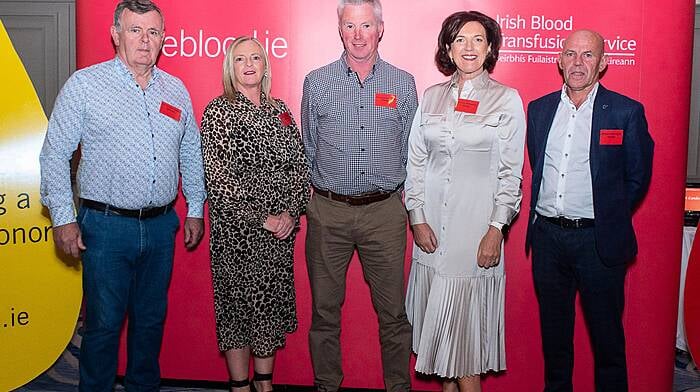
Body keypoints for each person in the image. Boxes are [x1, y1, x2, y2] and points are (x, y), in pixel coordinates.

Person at [38, 0, 206, 390]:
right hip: (105, 228)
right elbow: (55, 154)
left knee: (149, 324)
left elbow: (190, 151)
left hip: (162, 226)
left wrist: (195, 208)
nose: (145, 41)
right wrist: (63, 217)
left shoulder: (175, 90)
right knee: (103, 326)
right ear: (116, 34)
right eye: (135, 30)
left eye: (152, 32)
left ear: (163, 38)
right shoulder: (85, 84)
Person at [404, 10, 525, 392]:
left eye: (477, 40)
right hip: (430, 238)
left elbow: (511, 174)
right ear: (447, 47)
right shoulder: (432, 96)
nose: (468, 48)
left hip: (474, 237)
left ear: (490, 48)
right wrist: (417, 217)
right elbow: (416, 161)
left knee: (466, 352)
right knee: (442, 349)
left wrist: (496, 230)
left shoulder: (506, 100)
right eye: (460, 40)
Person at [526, 29, 654, 392]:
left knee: (608, 344)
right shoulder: (539, 110)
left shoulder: (626, 112)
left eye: (587, 55)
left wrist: (608, 216)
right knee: (555, 344)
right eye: (570, 54)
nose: (578, 63)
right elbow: (539, 165)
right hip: (549, 241)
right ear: (559, 60)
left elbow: (638, 177)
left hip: (599, 243)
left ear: (603, 63)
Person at [300, 0, 417, 390]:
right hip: (328, 211)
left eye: (366, 26)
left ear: (380, 28)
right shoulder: (317, 81)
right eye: (350, 27)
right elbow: (310, 147)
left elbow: (409, 151)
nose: (358, 35)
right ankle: (326, 385)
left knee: (393, 314)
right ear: (339, 29)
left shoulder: (403, 83)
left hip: (384, 213)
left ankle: (398, 387)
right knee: (324, 313)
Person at [200, 36, 309, 392]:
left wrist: (290, 214)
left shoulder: (281, 111)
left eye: (255, 58)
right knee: (237, 312)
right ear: (230, 67)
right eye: (240, 59)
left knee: (266, 311)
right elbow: (219, 178)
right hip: (238, 236)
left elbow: (299, 168)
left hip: (277, 238)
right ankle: (239, 386)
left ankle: (264, 384)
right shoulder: (219, 111)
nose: (248, 65)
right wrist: (264, 218)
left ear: (265, 66)